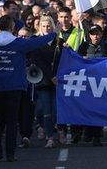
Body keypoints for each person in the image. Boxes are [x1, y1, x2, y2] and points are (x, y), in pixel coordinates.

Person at [0, 16, 56, 162]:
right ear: (12, 27)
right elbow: (38, 42)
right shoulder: (20, 43)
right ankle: (10, 154)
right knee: (11, 122)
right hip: (14, 87)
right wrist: (54, 33)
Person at [30, 15, 63, 148]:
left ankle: (58, 130)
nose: (46, 28)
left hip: (57, 80)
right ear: (39, 27)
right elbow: (38, 61)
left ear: (52, 27)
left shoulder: (59, 41)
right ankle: (50, 137)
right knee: (46, 110)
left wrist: (56, 76)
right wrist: (51, 77)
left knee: (55, 110)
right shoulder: (36, 41)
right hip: (43, 80)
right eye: (43, 26)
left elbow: (62, 60)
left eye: (48, 26)